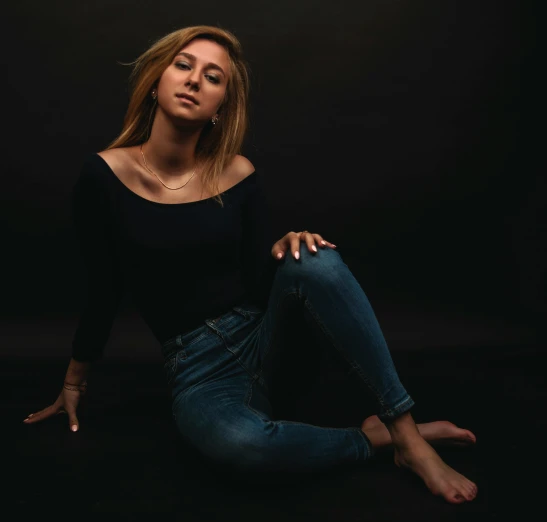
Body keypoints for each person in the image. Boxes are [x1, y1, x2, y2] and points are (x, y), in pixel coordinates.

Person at [23, 25, 478, 504]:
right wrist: (75, 379)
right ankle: (375, 439)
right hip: (198, 372)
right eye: (183, 65)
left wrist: (288, 249)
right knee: (242, 446)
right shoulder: (104, 176)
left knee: (315, 258)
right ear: (156, 81)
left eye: (212, 76)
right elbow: (104, 284)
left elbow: (261, 284)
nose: (194, 80)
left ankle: (405, 431)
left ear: (221, 106)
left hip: (267, 343)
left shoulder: (237, 174)